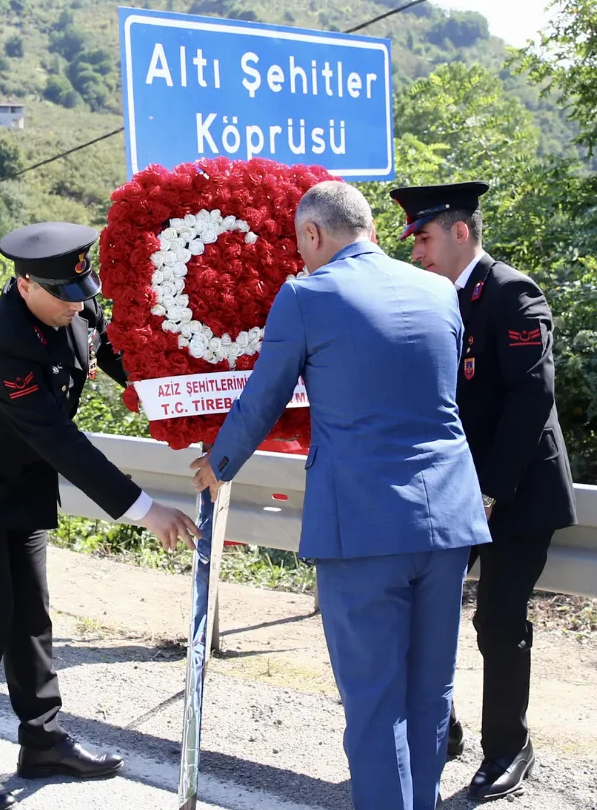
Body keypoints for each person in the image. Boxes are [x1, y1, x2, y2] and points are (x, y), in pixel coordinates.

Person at [192, 181, 490, 810]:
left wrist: (219, 465)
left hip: (363, 522)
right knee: (431, 691)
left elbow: (264, 397)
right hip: (448, 520)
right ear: (371, 228)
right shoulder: (440, 290)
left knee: (375, 700)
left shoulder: (306, 295)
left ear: (314, 235)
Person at [0, 221, 199, 809]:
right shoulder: (4, 346)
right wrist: (145, 510)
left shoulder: (76, 308)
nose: (77, 303)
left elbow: (125, 365)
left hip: (19, 479)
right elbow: (61, 441)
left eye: (81, 291)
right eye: (63, 294)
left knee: (31, 614)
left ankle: (40, 740)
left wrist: (192, 408)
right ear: (23, 285)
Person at [389, 182, 577, 802]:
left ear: (460, 231)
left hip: (515, 490)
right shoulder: (432, 296)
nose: (417, 251)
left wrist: (492, 490)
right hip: (454, 489)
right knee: (423, 608)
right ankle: (439, 729)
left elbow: (531, 398)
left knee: (497, 621)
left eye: (424, 237)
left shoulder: (511, 293)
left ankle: (508, 747)